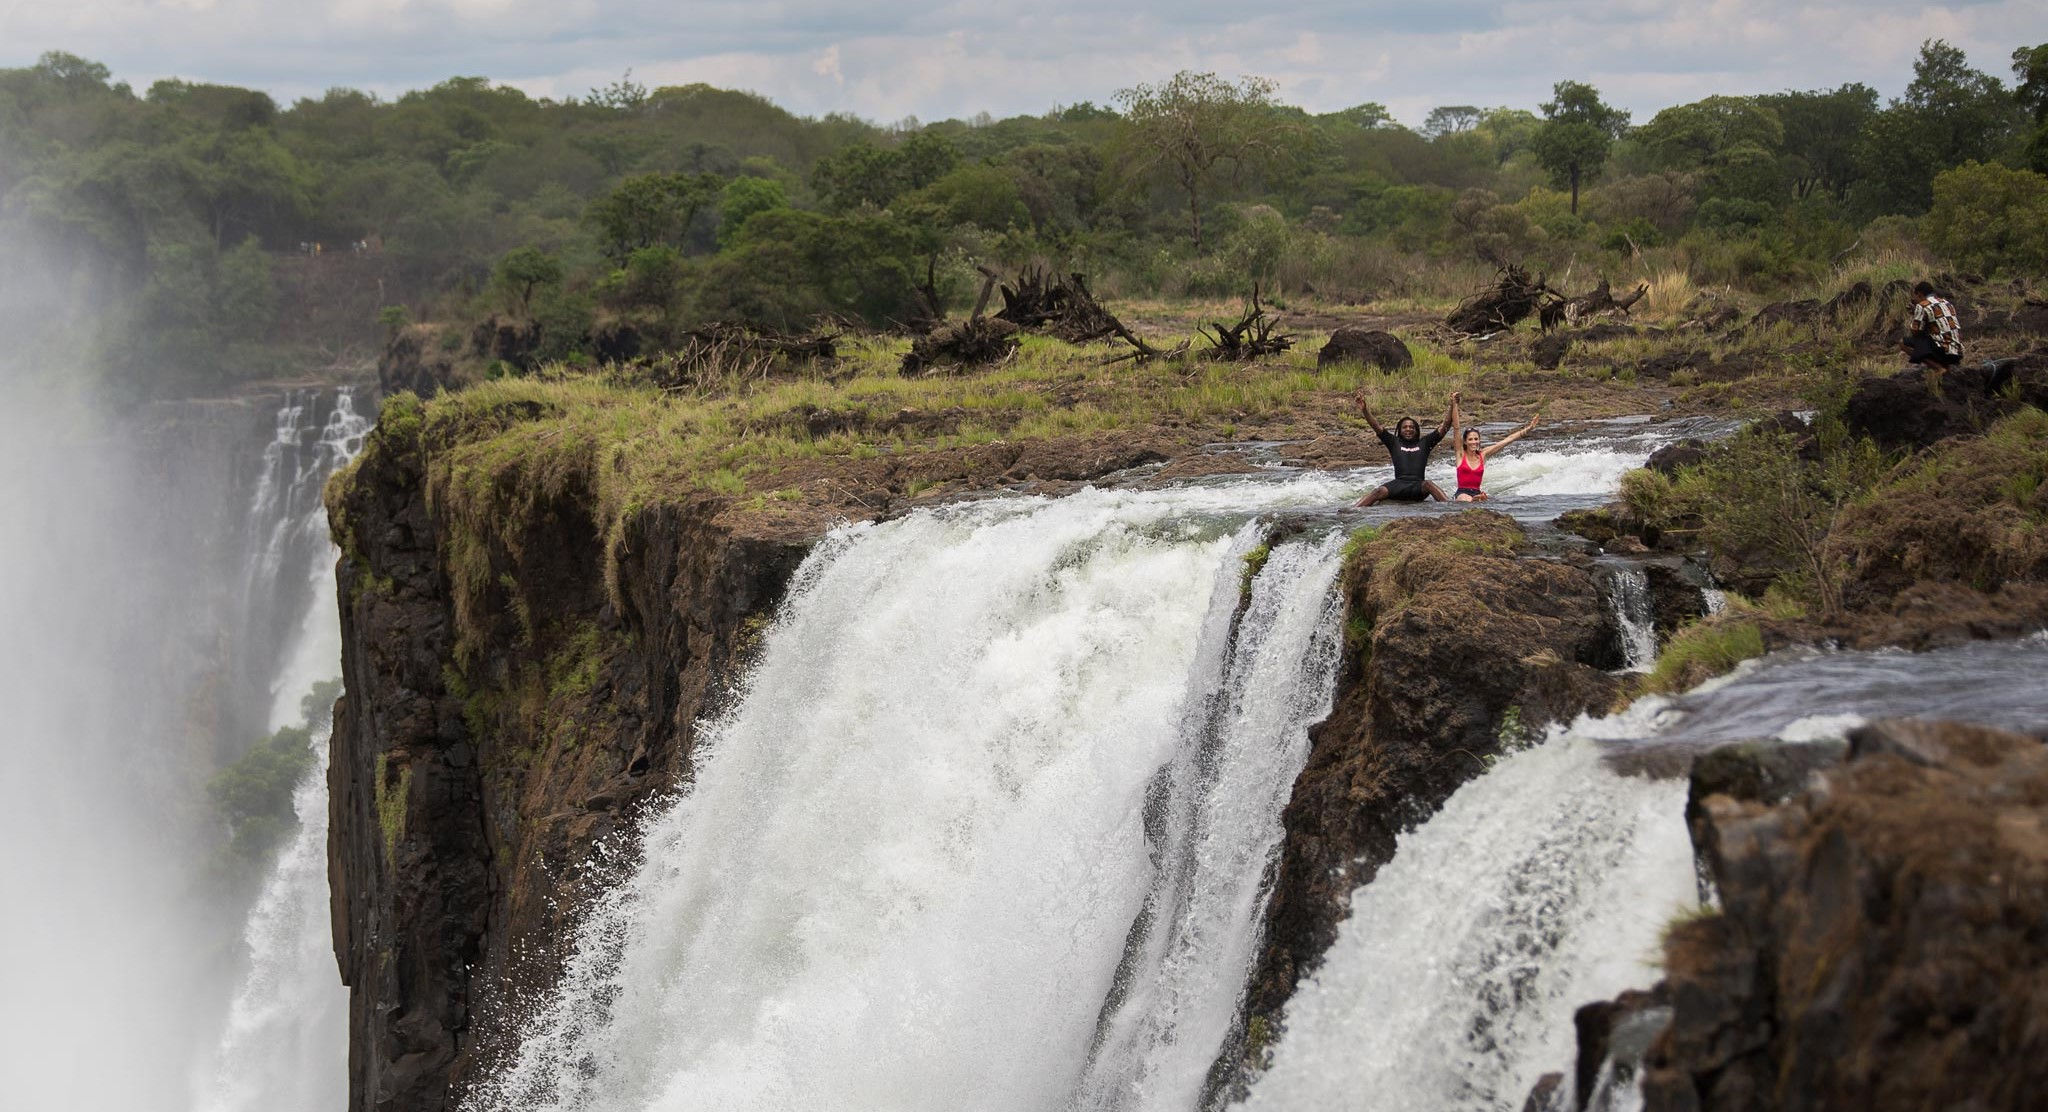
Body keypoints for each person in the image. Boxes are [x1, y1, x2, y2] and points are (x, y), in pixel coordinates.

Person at [1353, 391, 1457, 506]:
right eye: (1405, 427)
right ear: (1400, 430)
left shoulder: (1425, 443)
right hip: (1399, 485)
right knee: (1379, 491)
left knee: (1429, 484)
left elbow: (1445, 427)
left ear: (1416, 430)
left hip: (1418, 487)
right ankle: (1354, 509)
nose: (1408, 429)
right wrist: (1364, 410)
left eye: (1412, 427)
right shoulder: (1393, 442)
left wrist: (1452, 405)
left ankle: (1449, 505)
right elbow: (1375, 426)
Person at [1450, 399, 1539, 502]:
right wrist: (1455, 404)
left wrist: (1528, 429)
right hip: (1462, 493)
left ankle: (1476, 499)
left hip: (1477, 493)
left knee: (1482, 499)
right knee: (1465, 499)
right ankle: (1473, 500)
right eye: (1470, 439)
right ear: (1465, 442)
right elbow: (1456, 428)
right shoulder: (1460, 454)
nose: (1474, 442)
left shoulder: (1483, 454)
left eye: (1476, 439)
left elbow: (1507, 440)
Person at [1902, 280, 1962, 369]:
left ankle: (1938, 368)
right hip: (1957, 352)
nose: (1914, 299)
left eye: (1915, 296)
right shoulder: (1947, 303)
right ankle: (1946, 369)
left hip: (1942, 351)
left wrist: (1916, 315)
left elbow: (1916, 331)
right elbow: (1937, 319)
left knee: (1903, 343)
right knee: (1934, 338)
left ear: (1919, 294)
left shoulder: (1922, 305)